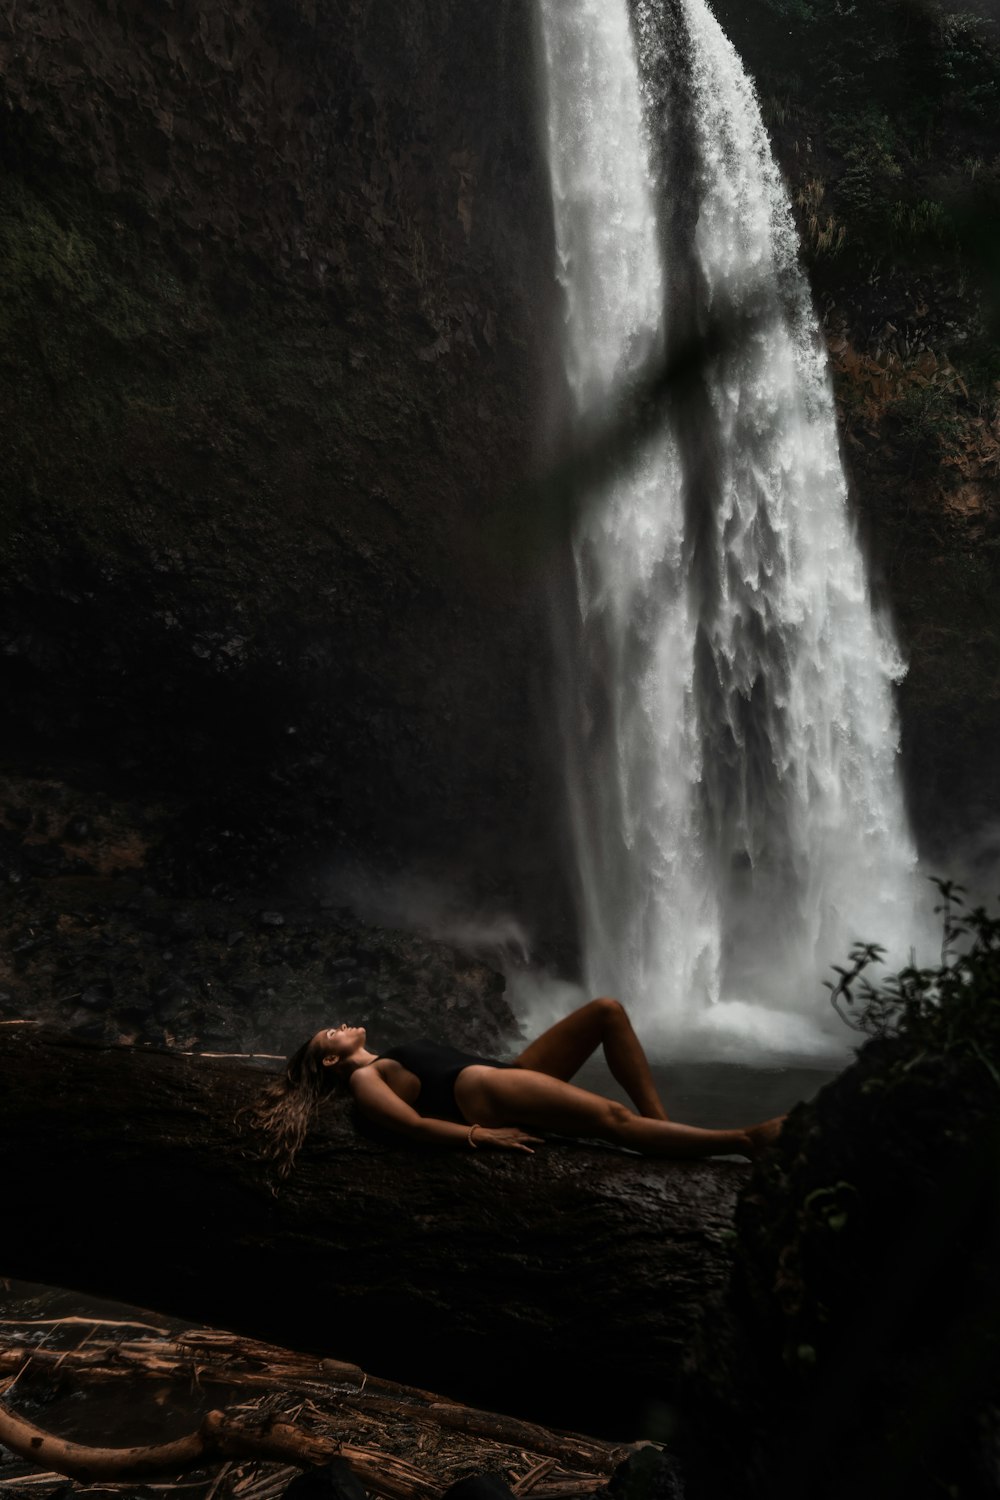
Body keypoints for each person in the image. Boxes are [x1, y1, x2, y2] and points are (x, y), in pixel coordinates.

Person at [250, 997, 785, 1176]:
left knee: (607, 1012)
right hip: (488, 1093)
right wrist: (479, 1136)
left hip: (504, 1071)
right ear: (328, 1059)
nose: (341, 1026)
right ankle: (743, 1141)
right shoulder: (366, 1077)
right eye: (331, 1033)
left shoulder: (379, 1061)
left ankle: (662, 1128)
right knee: (613, 1122)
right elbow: (409, 1126)